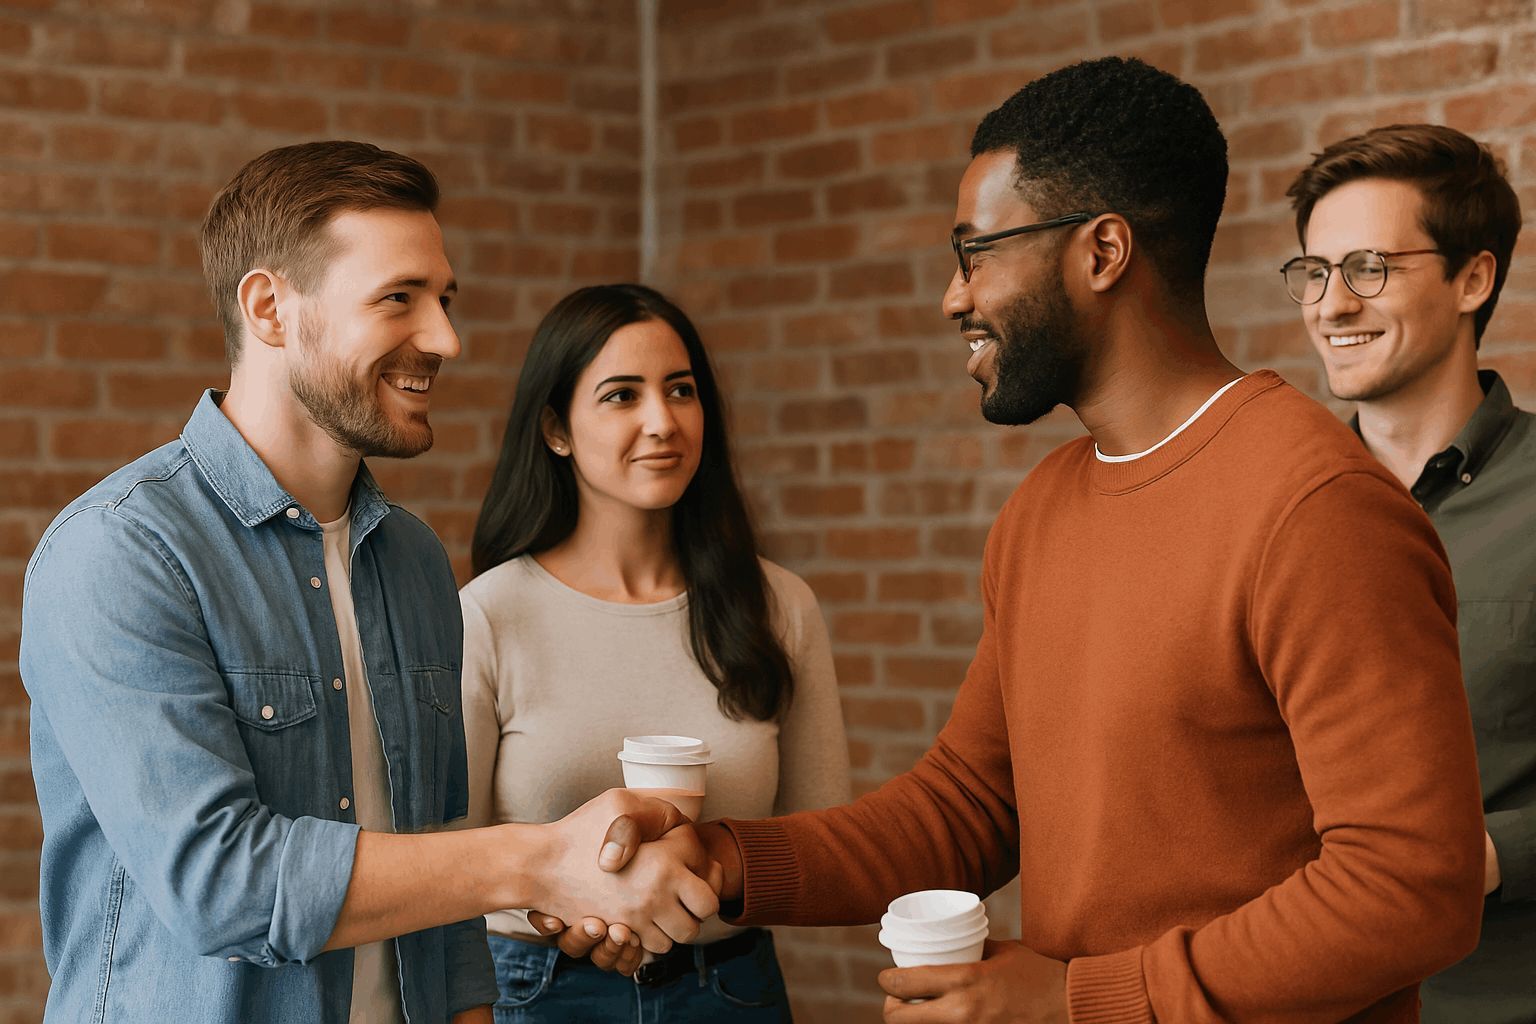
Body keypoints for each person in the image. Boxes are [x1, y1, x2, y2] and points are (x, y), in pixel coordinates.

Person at [544, 56, 1487, 1023]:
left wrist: (1081, 1001)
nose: (955, 297)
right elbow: (966, 806)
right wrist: (722, 858)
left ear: (1102, 252)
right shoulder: (1043, 509)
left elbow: (1411, 889)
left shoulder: (1318, 509)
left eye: (977, 251)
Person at [20, 142, 718, 1024]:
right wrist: (541, 860)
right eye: (400, 299)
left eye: (445, 300)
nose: (446, 340)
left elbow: (439, 880)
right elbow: (221, 884)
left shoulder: (415, 563)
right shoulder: (120, 553)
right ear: (270, 308)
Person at [458, 283, 851, 1022]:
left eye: (680, 390)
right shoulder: (490, 614)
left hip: (729, 992)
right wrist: (565, 913)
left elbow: (821, 844)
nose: (662, 422)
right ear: (556, 430)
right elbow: (451, 856)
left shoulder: (780, 606)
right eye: (621, 395)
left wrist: (704, 873)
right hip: (536, 994)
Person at [1283, 123, 1534, 1024]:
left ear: (1474, 278)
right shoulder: (1279, 508)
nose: (1331, 305)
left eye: (1369, 267)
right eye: (1314, 273)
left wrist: (1483, 856)